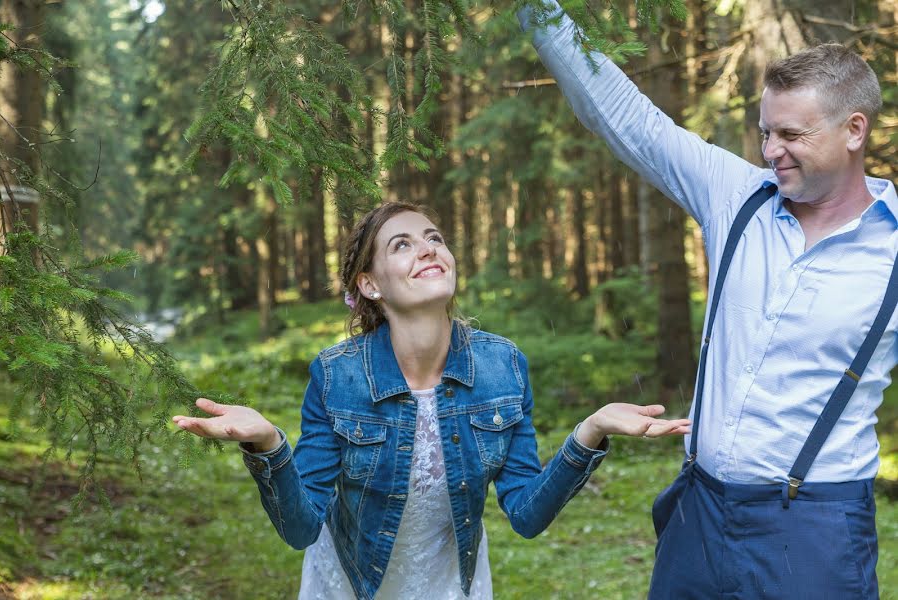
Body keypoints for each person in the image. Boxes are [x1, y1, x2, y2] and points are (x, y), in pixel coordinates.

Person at [520, 4, 896, 598]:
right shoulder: (736, 195)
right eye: (766, 131)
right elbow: (627, 117)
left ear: (854, 130)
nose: (771, 151)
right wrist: (536, 9)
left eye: (793, 135)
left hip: (819, 529)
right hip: (699, 511)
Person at [172, 201, 690, 600]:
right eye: (401, 244)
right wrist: (267, 443)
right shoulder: (337, 376)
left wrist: (591, 431)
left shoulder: (501, 367)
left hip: (452, 584)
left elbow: (527, 515)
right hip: (352, 584)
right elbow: (302, 526)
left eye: (434, 238)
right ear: (370, 284)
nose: (428, 249)